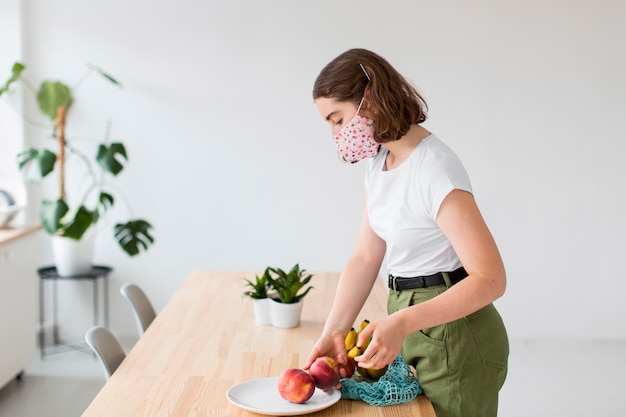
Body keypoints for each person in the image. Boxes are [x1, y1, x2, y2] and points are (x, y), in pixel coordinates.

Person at [303, 48, 509, 417]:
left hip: (456, 334)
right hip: (411, 320)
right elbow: (366, 257)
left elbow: (491, 279)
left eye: (337, 119)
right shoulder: (380, 163)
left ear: (370, 99)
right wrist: (334, 330)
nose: (336, 135)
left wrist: (401, 322)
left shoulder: (435, 169)